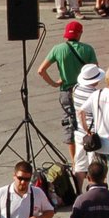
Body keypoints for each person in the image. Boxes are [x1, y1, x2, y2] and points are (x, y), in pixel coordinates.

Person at [36, 20, 96, 160]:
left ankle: (74, 160)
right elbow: (95, 71)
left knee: (69, 123)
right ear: (80, 33)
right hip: (84, 91)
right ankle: (89, 154)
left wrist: (54, 83)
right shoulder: (88, 49)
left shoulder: (58, 49)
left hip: (66, 91)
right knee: (88, 122)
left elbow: (41, 70)